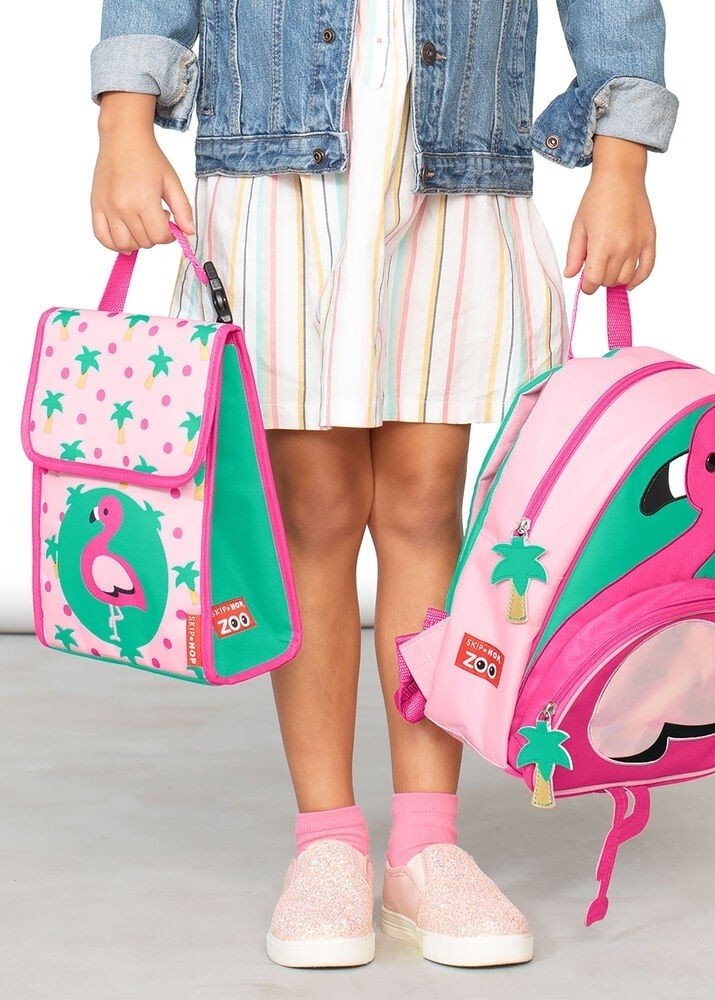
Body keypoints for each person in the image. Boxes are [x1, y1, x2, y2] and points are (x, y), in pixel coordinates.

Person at [89, 0, 677, 969]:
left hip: (452, 171)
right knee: (313, 511)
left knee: (424, 502)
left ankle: (424, 844)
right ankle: (326, 840)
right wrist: (124, 121)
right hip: (275, 178)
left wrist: (621, 165)